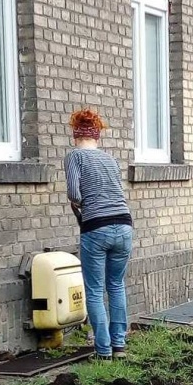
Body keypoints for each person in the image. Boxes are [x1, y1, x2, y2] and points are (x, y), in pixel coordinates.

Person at [64, 108, 134, 360]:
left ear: (75, 134)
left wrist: (82, 205)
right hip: (125, 225)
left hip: (96, 228)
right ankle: (120, 347)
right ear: (97, 135)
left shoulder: (75, 157)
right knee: (116, 285)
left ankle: (103, 351)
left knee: (94, 290)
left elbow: (74, 193)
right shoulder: (110, 160)